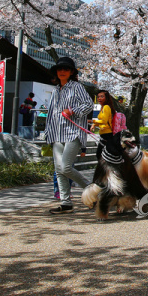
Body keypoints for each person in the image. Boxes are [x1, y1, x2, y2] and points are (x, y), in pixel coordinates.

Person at [44, 57, 93, 214]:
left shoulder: (76, 87)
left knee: (65, 166)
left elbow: (88, 104)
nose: (62, 71)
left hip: (73, 133)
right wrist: (47, 133)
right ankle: (66, 203)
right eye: (60, 69)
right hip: (56, 133)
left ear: (71, 72)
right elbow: (51, 113)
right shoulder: (55, 90)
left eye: (66, 69)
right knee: (59, 170)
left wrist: (72, 111)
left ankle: (92, 189)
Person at [90, 90, 116, 160]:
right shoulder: (103, 107)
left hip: (107, 135)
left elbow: (104, 121)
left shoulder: (106, 107)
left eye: (102, 96)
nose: (99, 98)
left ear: (106, 98)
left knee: (100, 154)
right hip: (104, 134)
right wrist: (94, 125)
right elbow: (103, 122)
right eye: (98, 97)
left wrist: (92, 121)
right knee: (102, 155)